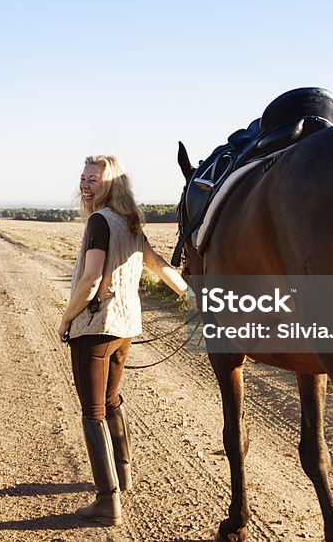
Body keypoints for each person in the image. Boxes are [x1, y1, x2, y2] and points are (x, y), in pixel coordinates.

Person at [57, 155, 195, 526]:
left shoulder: (100, 222)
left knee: (93, 412)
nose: (85, 185)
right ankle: (123, 473)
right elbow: (157, 264)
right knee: (111, 399)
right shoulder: (130, 222)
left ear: (111, 185)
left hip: (96, 326)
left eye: (93, 180)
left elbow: (89, 281)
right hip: (126, 327)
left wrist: (66, 318)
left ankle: (107, 500)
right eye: (83, 178)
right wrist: (192, 296)